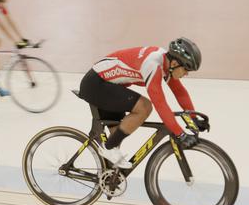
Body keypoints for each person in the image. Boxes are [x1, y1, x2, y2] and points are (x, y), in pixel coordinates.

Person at [78, 38, 204, 168]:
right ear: (174, 63)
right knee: (144, 107)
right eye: (185, 69)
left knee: (116, 136)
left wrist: (194, 118)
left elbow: (179, 91)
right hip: (96, 85)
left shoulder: (166, 62)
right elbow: (160, 104)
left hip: (109, 84)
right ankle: (108, 148)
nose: (187, 73)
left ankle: (108, 179)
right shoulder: (152, 65)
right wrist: (180, 134)